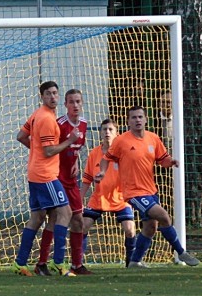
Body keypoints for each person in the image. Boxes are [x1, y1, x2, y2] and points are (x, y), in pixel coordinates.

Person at [95, 105, 199, 268]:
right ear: (128, 121)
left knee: (150, 227)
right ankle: (181, 252)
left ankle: (135, 262)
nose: (137, 120)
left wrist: (170, 161)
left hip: (150, 190)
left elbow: (162, 159)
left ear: (146, 119)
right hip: (133, 192)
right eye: (134, 117)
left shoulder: (153, 138)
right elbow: (106, 158)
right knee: (164, 217)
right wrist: (102, 172)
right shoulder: (121, 141)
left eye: (140, 117)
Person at [12, 81, 82, 277]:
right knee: (66, 213)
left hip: (35, 172)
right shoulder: (47, 119)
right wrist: (70, 141)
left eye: (55, 93)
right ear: (42, 96)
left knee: (38, 218)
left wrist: (35, 152)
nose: (53, 97)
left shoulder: (37, 114)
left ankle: (20, 263)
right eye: (48, 94)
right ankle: (58, 263)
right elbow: (50, 150)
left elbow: (20, 136)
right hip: (45, 175)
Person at [34, 89, 90, 276]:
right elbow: (50, 150)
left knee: (78, 221)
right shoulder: (59, 125)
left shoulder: (83, 124)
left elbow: (75, 150)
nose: (75, 105)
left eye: (78, 101)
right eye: (71, 102)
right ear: (65, 104)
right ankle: (46, 262)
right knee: (55, 219)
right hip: (56, 178)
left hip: (71, 180)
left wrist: (75, 163)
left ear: (82, 104)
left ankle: (77, 265)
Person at [80, 118, 137, 267]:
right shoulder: (94, 154)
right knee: (83, 226)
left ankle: (131, 262)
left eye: (111, 129)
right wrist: (79, 200)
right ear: (100, 133)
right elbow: (87, 179)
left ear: (117, 133)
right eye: (104, 129)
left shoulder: (123, 153)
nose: (107, 132)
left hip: (120, 199)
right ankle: (77, 263)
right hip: (99, 198)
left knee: (130, 230)